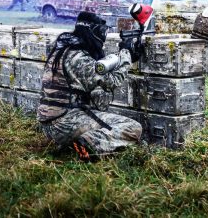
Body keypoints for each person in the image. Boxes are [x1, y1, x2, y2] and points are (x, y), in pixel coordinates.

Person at [37, 11, 143, 161]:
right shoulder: (79, 57)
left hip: (52, 123)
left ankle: (75, 143)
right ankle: (87, 146)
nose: (103, 37)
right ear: (93, 32)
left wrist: (122, 59)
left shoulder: (65, 48)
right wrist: (126, 55)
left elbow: (97, 69)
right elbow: (111, 82)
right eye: (102, 32)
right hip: (63, 124)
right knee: (132, 127)